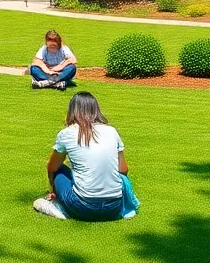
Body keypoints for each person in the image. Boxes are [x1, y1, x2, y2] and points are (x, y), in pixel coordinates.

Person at [34, 92, 140, 222]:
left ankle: (57, 204)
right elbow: (123, 170)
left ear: (72, 110)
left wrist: (53, 188)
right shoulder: (111, 131)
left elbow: (52, 167)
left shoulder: (67, 133)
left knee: (59, 169)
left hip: (82, 207)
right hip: (114, 208)